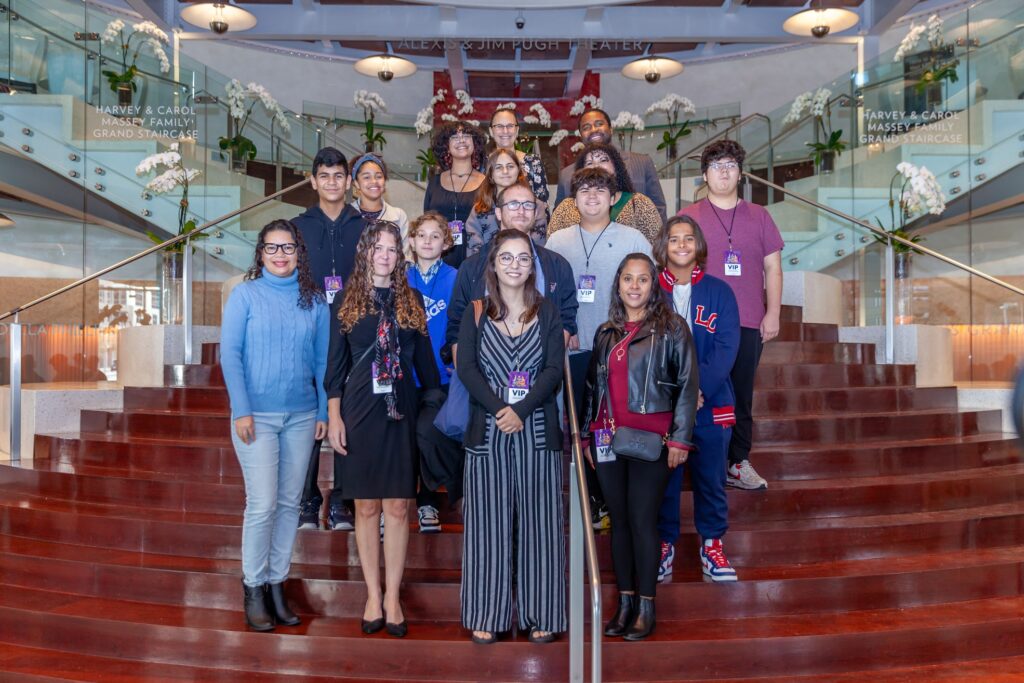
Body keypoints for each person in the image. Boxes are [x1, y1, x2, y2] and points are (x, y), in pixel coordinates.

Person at [325, 220, 441, 638]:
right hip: (358, 411)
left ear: (400, 256)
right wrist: (334, 417)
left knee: (396, 507)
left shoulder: (411, 299)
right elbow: (334, 369)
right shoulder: (344, 299)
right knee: (366, 507)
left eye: (392, 249)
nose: (385, 255)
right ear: (366, 252)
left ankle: (393, 596)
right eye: (378, 247)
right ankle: (372, 594)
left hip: (400, 413)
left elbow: (428, 371)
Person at [457, 228, 567, 645]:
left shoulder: (549, 312)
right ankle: (488, 612)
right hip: (487, 433)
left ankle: (542, 613)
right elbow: (466, 368)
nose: (515, 265)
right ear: (494, 264)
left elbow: (554, 370)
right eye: (507, 257)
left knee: (541, 525)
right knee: (487, 525)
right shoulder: (477, 312)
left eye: (523, 258)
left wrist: (519, 410)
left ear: (533, 266)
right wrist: (499, 410)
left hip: (537, 431)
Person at [581, 253, 699, 641]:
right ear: (618, 284)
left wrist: (681, 439)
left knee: (642, 522)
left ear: (654, 284)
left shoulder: (673, 328)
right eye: (628, 279)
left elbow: (687, 385)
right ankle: (625, 603)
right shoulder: (605, 332)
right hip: (607, 440)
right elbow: (590, 390)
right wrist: (586, 435)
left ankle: (647, 606)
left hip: (654, 440)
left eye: (643, 279)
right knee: (618, 524)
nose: (634, 286)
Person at [220, 219, 329, 632]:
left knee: (289, 505)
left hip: (302, 416)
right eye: (272, 248)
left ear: (299, 253)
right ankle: (253, 588)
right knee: (262, 505)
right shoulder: (245, 295)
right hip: (256, 418)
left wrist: (321, 412)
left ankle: (276, 583)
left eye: (288, 248)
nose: (280, 255)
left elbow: (321, 362)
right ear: (260, 253)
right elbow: (230, 356)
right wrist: (241, 410)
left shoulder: (314, 301)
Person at [545, 167, 650, 529]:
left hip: (618, 350)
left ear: (612, 197)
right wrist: (561, 328)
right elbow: (545, 295)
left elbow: (649, 293)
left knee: (612, 424)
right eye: (585, 190)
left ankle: (612, 499)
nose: (592, 196)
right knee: (579, 428)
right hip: (573, 349)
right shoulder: (557, 241)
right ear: (574, 200)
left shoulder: (633, 237)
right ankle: (588, 498)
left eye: (600, 190)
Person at [678, 140, 783, 491]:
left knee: (741, 394)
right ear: (704, 174)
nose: (724, 171)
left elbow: (773, 268)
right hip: (700, 320)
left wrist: (774, 313)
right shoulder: (690, 216)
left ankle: (737, 461)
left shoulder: (760, 216)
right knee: (696, 388)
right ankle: (691, 456)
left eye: (731, 164)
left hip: (749, 319)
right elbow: (676, 265)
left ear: (740, 172)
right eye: (716, 165)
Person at [654, 216, 741, 583]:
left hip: (711, 403)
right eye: (674, 239)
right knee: (664, 481)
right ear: (664, 246)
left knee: (710, 479)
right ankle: (663, 546)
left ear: (698, 244)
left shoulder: (720, 291)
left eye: (689, 239)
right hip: (664, 404)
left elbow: (726, 346)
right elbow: (647, 346)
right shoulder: (651, 288)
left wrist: (696, 391)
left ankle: (712, 545)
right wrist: (677, 394)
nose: (682, 245)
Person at [294, 147, 367, 532]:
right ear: (313, 181)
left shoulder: (363, 227)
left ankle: (342, 497)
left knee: (347, 413)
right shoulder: (298, 226)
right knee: (310, 414)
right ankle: (307, 497)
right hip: (309, 330)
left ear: (348, 182)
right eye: (324, 176)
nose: (332, 183)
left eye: (339, 176)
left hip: (351, 332)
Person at [445, 182, 578, 363]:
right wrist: (467, 373)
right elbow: (457, 323)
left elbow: (566, 319)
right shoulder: (472, 266)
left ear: (536, 213)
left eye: (528, 205)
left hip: (542, 374)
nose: (521, 211)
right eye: (513, 204)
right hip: (481, 373)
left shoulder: (557, 265)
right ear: (498, 213)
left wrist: (548, 367)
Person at [405, 211, 458, 532]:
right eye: (421, 235)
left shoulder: (455, 277)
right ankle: (396, 503)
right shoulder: (401, 277)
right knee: (403, 441)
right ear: (411, 241)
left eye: (435, 236)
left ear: (446, 242)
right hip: (404, 377)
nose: (427, 241)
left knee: (428, 435)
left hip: (441, 376)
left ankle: (428, 502)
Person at [554, 107, 666, 220]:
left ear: (611, 129)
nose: (593, 130)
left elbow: (658, 209)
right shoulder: (567, 175)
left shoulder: (642, 163)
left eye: (599, 124)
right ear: (580, 135)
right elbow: (560, 219)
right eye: (586, 127)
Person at [547, 142, 662, 243]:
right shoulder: (566, 207)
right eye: (589, 163)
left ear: (616, 168)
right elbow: (552, 252)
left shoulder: (639, 204)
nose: (596, 166)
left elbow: (657, 247)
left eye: (603, 160)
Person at [423, 121, 487, 269]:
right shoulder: (434, 183)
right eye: (455, 137)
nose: (461, 140)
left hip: (476, 262)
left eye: (466, 135)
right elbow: (426, 221)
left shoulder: (487, 184)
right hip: (438, 260)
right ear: (446, 145)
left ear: (475, 143)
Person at [489, 107, 550, 244]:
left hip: (530, 237)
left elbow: (543, 206)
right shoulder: (484, 164)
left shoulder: (532, 162)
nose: (505, 131)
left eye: (510, 126)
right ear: (491, 131)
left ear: (517, 130)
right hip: (491, 235)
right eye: (499, 126)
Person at [465, 148, 524, 258]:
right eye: (498, 167)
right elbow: (474, 255)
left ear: (518, 171)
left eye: (510, 166)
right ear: (491, 175)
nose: (505, 171)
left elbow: (537, 250)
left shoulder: (533, 207)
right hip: (485, 271)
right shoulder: (479, 211)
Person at [350, 153, 409, 239]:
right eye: (367, 177)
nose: (374, 181)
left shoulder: (399, 216)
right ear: (356, 183)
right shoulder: (345, 215)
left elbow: (404, 252)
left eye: (379, 176)